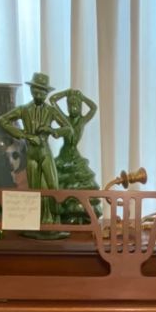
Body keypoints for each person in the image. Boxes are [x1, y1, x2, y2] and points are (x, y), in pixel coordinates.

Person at [0, 72, 70, 232]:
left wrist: (51, 130)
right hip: (31, 153)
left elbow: (68, 128)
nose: (39, 94)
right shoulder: (24, 110)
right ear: (31, 90)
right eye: (36, 90)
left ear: (47, 93)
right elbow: (2, 120)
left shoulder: (51, 111)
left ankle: (55, 219)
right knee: (35, 189)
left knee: (52, 185)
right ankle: (37, 223)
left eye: (42, 91)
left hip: (45, 152)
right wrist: (24, 135)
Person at [50, 88, 99, 224]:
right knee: (63, 181)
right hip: (65, 154)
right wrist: (65, 93)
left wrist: (82, 96)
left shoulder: (82, 120)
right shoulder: (64, 120)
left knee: (83, 181)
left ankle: (82, 215)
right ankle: (63, 215)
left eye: (77, 105)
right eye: (71, 105)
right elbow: (52, 100)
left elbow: (94, 107)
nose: (74, 107)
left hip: (75, 155)